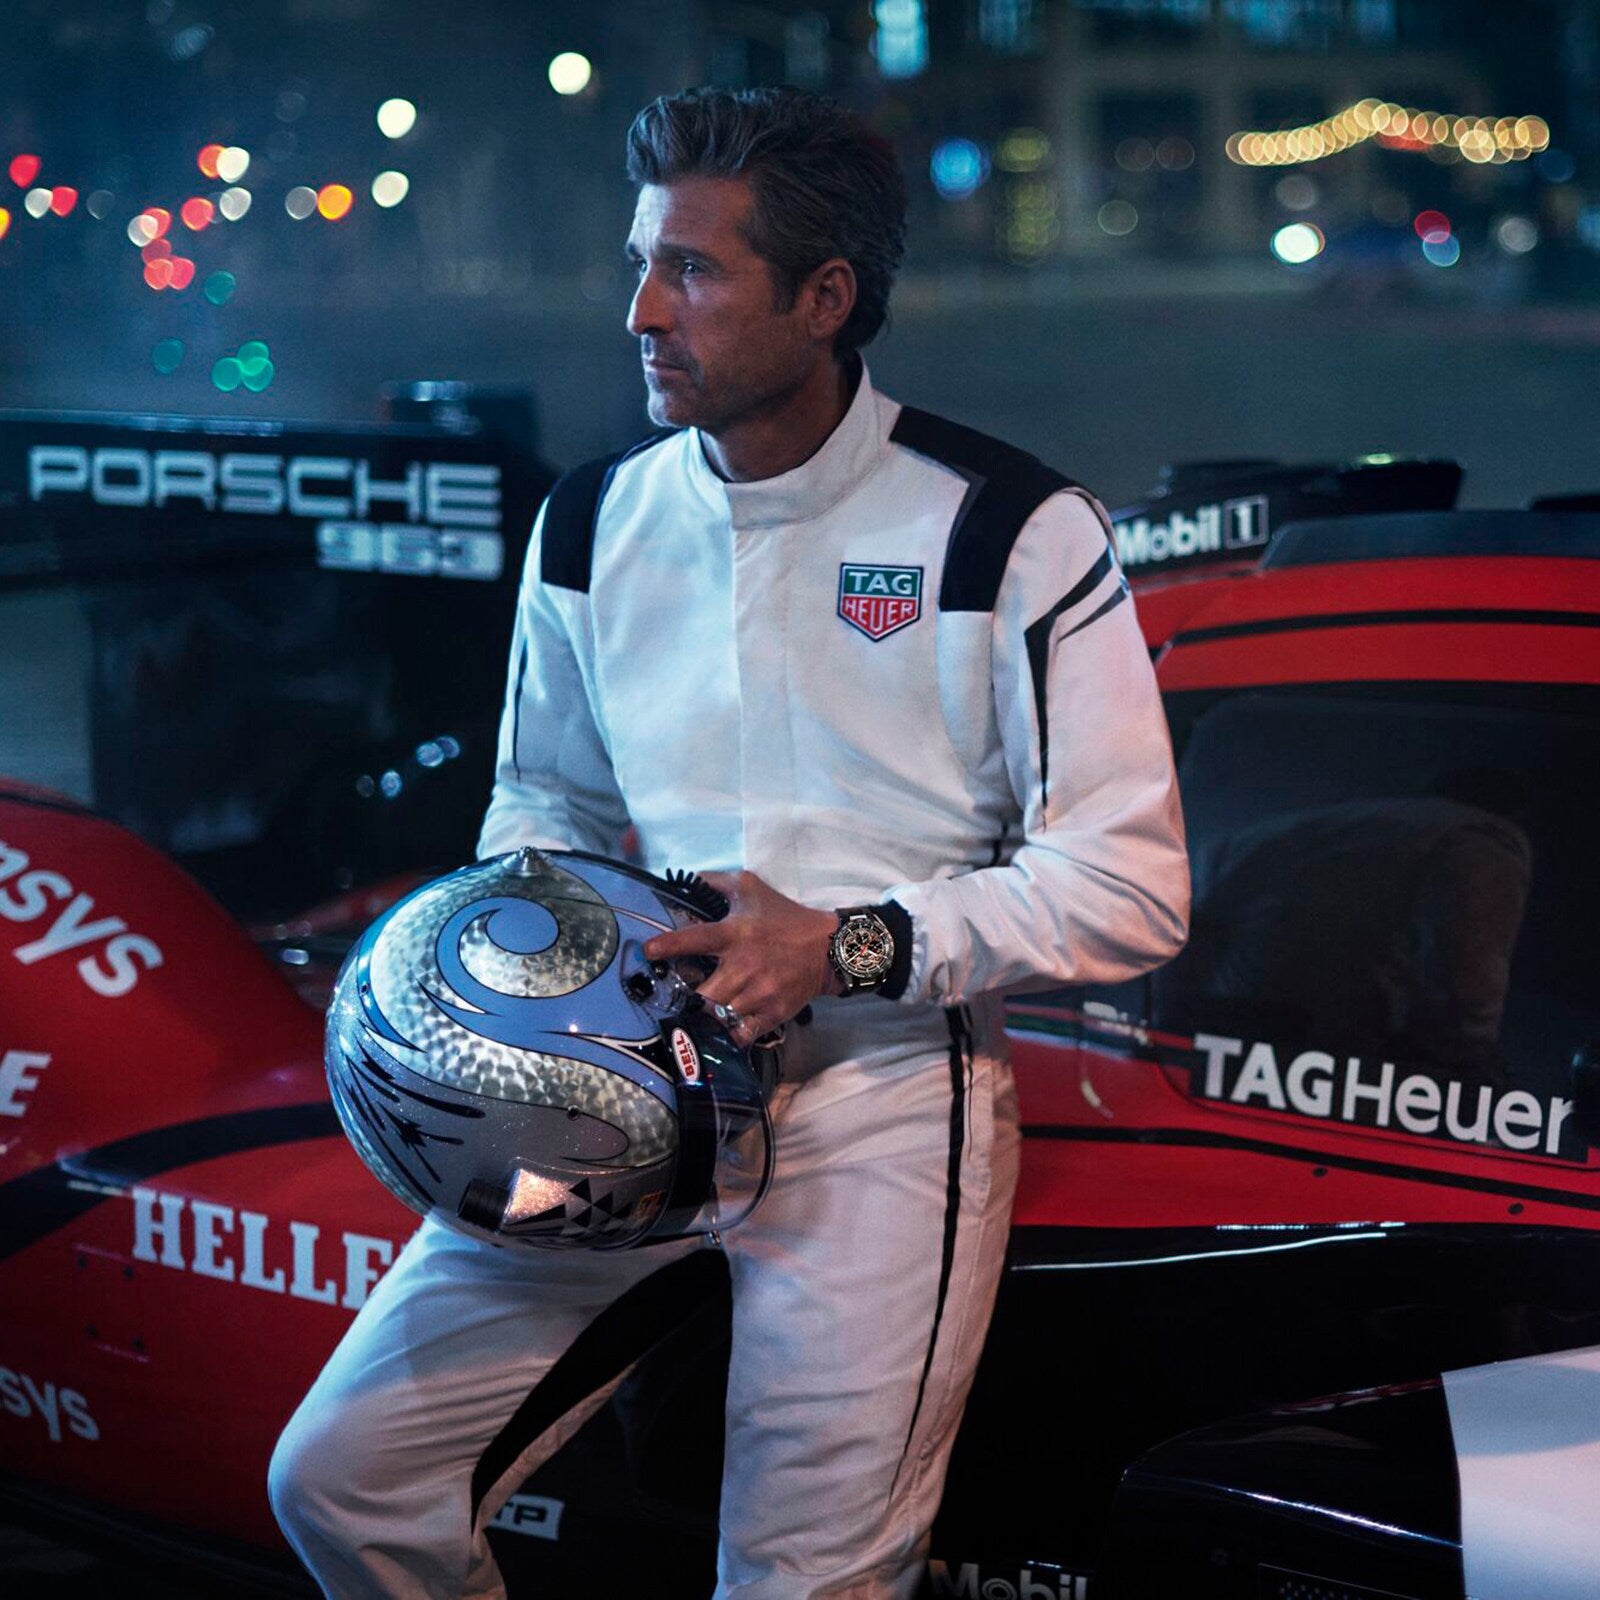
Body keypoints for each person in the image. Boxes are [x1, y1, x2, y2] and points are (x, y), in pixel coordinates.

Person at [270, 86, 1189, 1600]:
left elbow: (1132, 888)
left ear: (825, 298)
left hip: (888, 1108)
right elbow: (544, 807)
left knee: (799, 1584)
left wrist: (842, 948)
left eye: (693, 270)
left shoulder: (1013, 529)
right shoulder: (590, 522)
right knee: (345, 1480)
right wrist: (532, 982)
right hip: (612, 1087)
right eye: (642, 263)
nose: (641, 311)